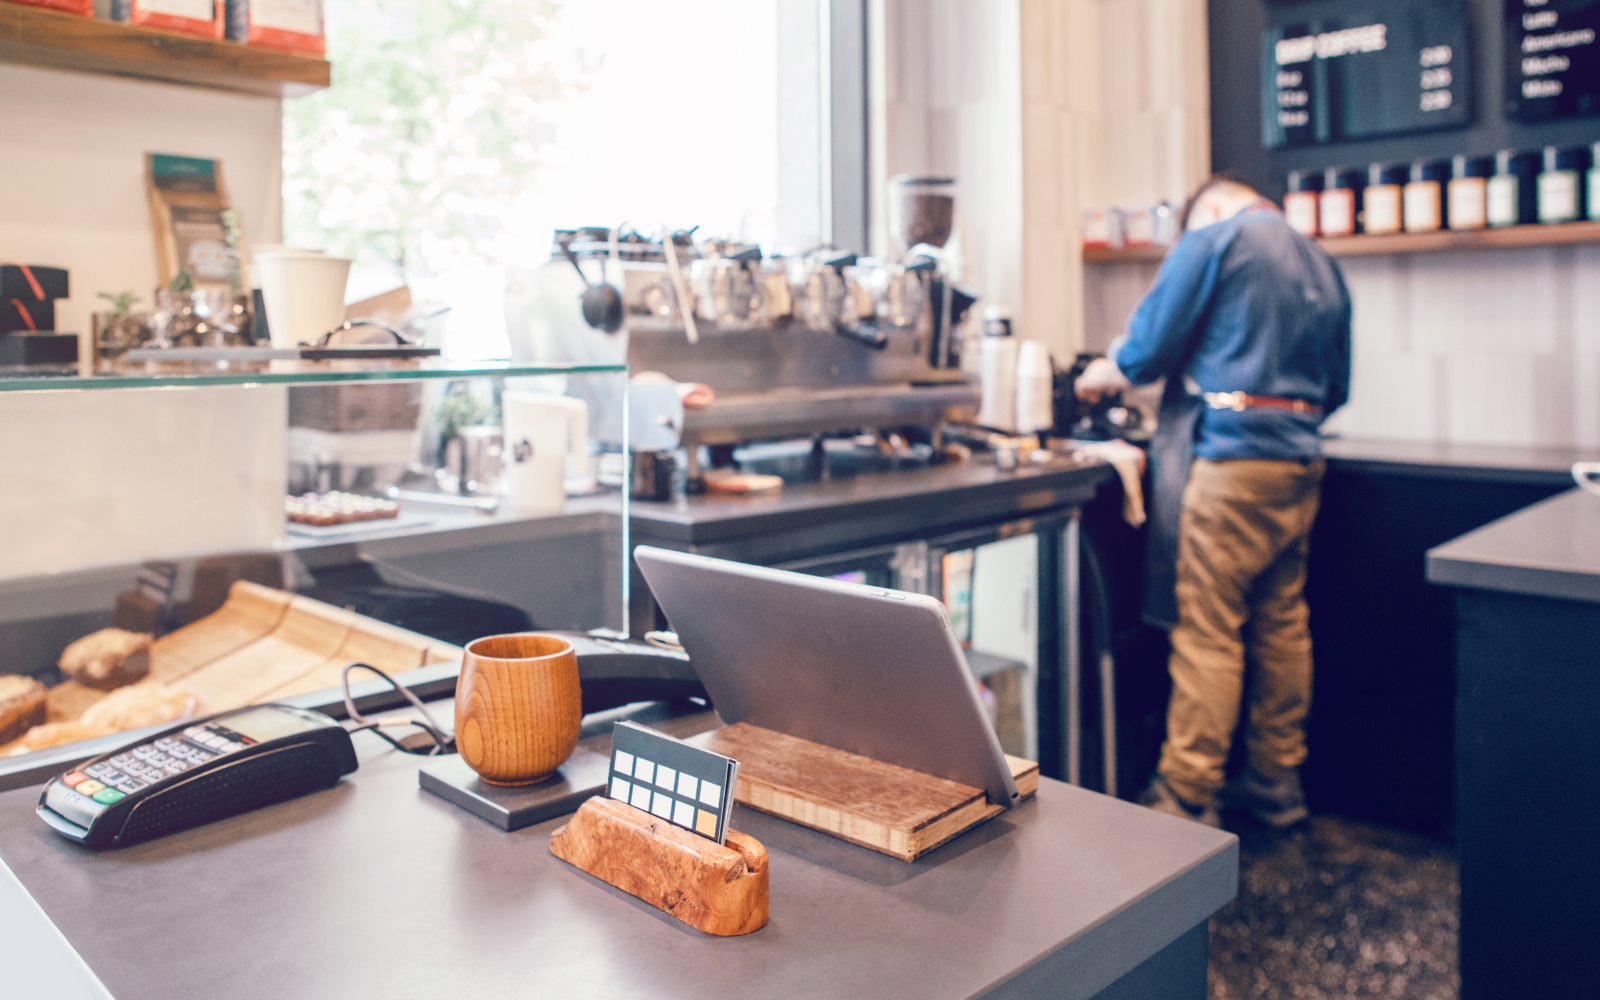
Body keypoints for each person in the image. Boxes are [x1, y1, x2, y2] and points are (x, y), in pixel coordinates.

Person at [1075, 175, 1351, 829]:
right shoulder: (1321, 260)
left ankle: (1185, 794)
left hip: (1230, 464)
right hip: (1298, 459)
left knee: (1208, 632)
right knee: (1283, 622)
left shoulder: (1216, 238)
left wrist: (1096, 376)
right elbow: (1338, 386)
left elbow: (1143, 354)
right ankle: (1276, 782)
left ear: (1211, 207)